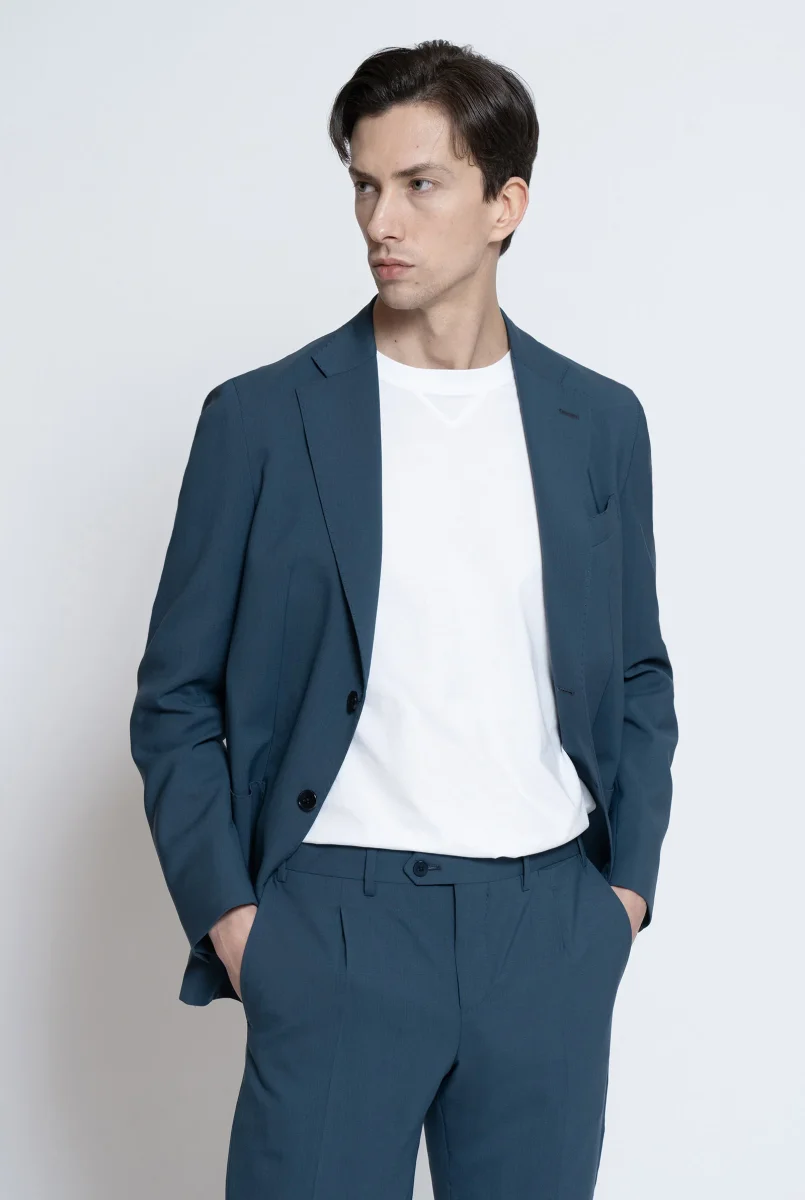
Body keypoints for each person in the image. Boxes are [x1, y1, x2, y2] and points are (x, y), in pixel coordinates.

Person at [130, 37, 678, 1200]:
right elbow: (174, 700)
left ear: (504, 204)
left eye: (420, 184)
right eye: (365, 186)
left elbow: (637, 673)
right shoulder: (261, 420)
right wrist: (235, 921)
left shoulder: (597, 424)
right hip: (333, 925)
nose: (382, 220)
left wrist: (621, 895)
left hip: (547, 929)